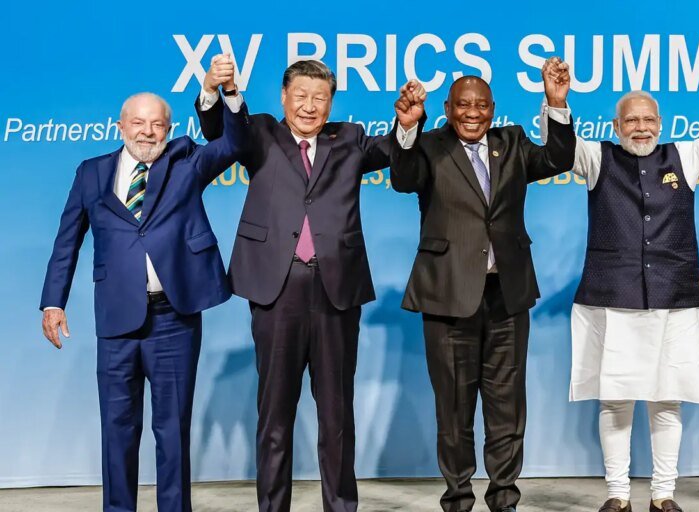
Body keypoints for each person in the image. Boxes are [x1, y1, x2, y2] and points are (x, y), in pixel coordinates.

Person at [540, 49, 699, 512]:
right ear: (616, 126)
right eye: (631, 120)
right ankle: (617, 495)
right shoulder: (596, 157)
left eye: (648, 119)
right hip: (611, 299)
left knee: (667, 400)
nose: (641, 127)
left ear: (660, 123)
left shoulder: (686, 156)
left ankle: (663, 494)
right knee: (615, 401)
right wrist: (556, 102)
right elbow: (557, 148)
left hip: (676, 298)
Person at [195, 59, 423, 512]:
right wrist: (218, 92)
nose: (309, 106)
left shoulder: (350, 137)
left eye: (320, 98)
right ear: (284, 96)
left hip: (336, 289)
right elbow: (220, 129)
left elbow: (392, 153)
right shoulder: (260, 133)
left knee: (336, 414)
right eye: (300, 96)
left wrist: (406, 124)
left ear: (331, 103)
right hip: (276, 289)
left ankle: (340, 506)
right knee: (274, 414)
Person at [39, 55, 247, 512]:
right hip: (116, 318)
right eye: (138, 123)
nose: (147, 132)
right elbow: (67, 241)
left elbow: (235, 143)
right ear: (120, 126)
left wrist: (223, 92)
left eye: (157, 124)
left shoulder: (187, 161)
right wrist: (53, 302)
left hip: (174, 318)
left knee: (172, 430)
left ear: (169, 129)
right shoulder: (90, 172)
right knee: (117, 428)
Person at [388, 57, 575, 512]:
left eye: (481, 105)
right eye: (463, 105)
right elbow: (403, 179)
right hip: (448, 295)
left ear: (493, 109)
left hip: (506, 294)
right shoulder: (429, 146)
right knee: (454, 410)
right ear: (447, 110)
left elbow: (558, 158)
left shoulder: (512, 143)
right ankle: (457, 498)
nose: (473, 113)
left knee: (507, 407)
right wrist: (407, 127)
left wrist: (555, 102)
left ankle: (504, 499)